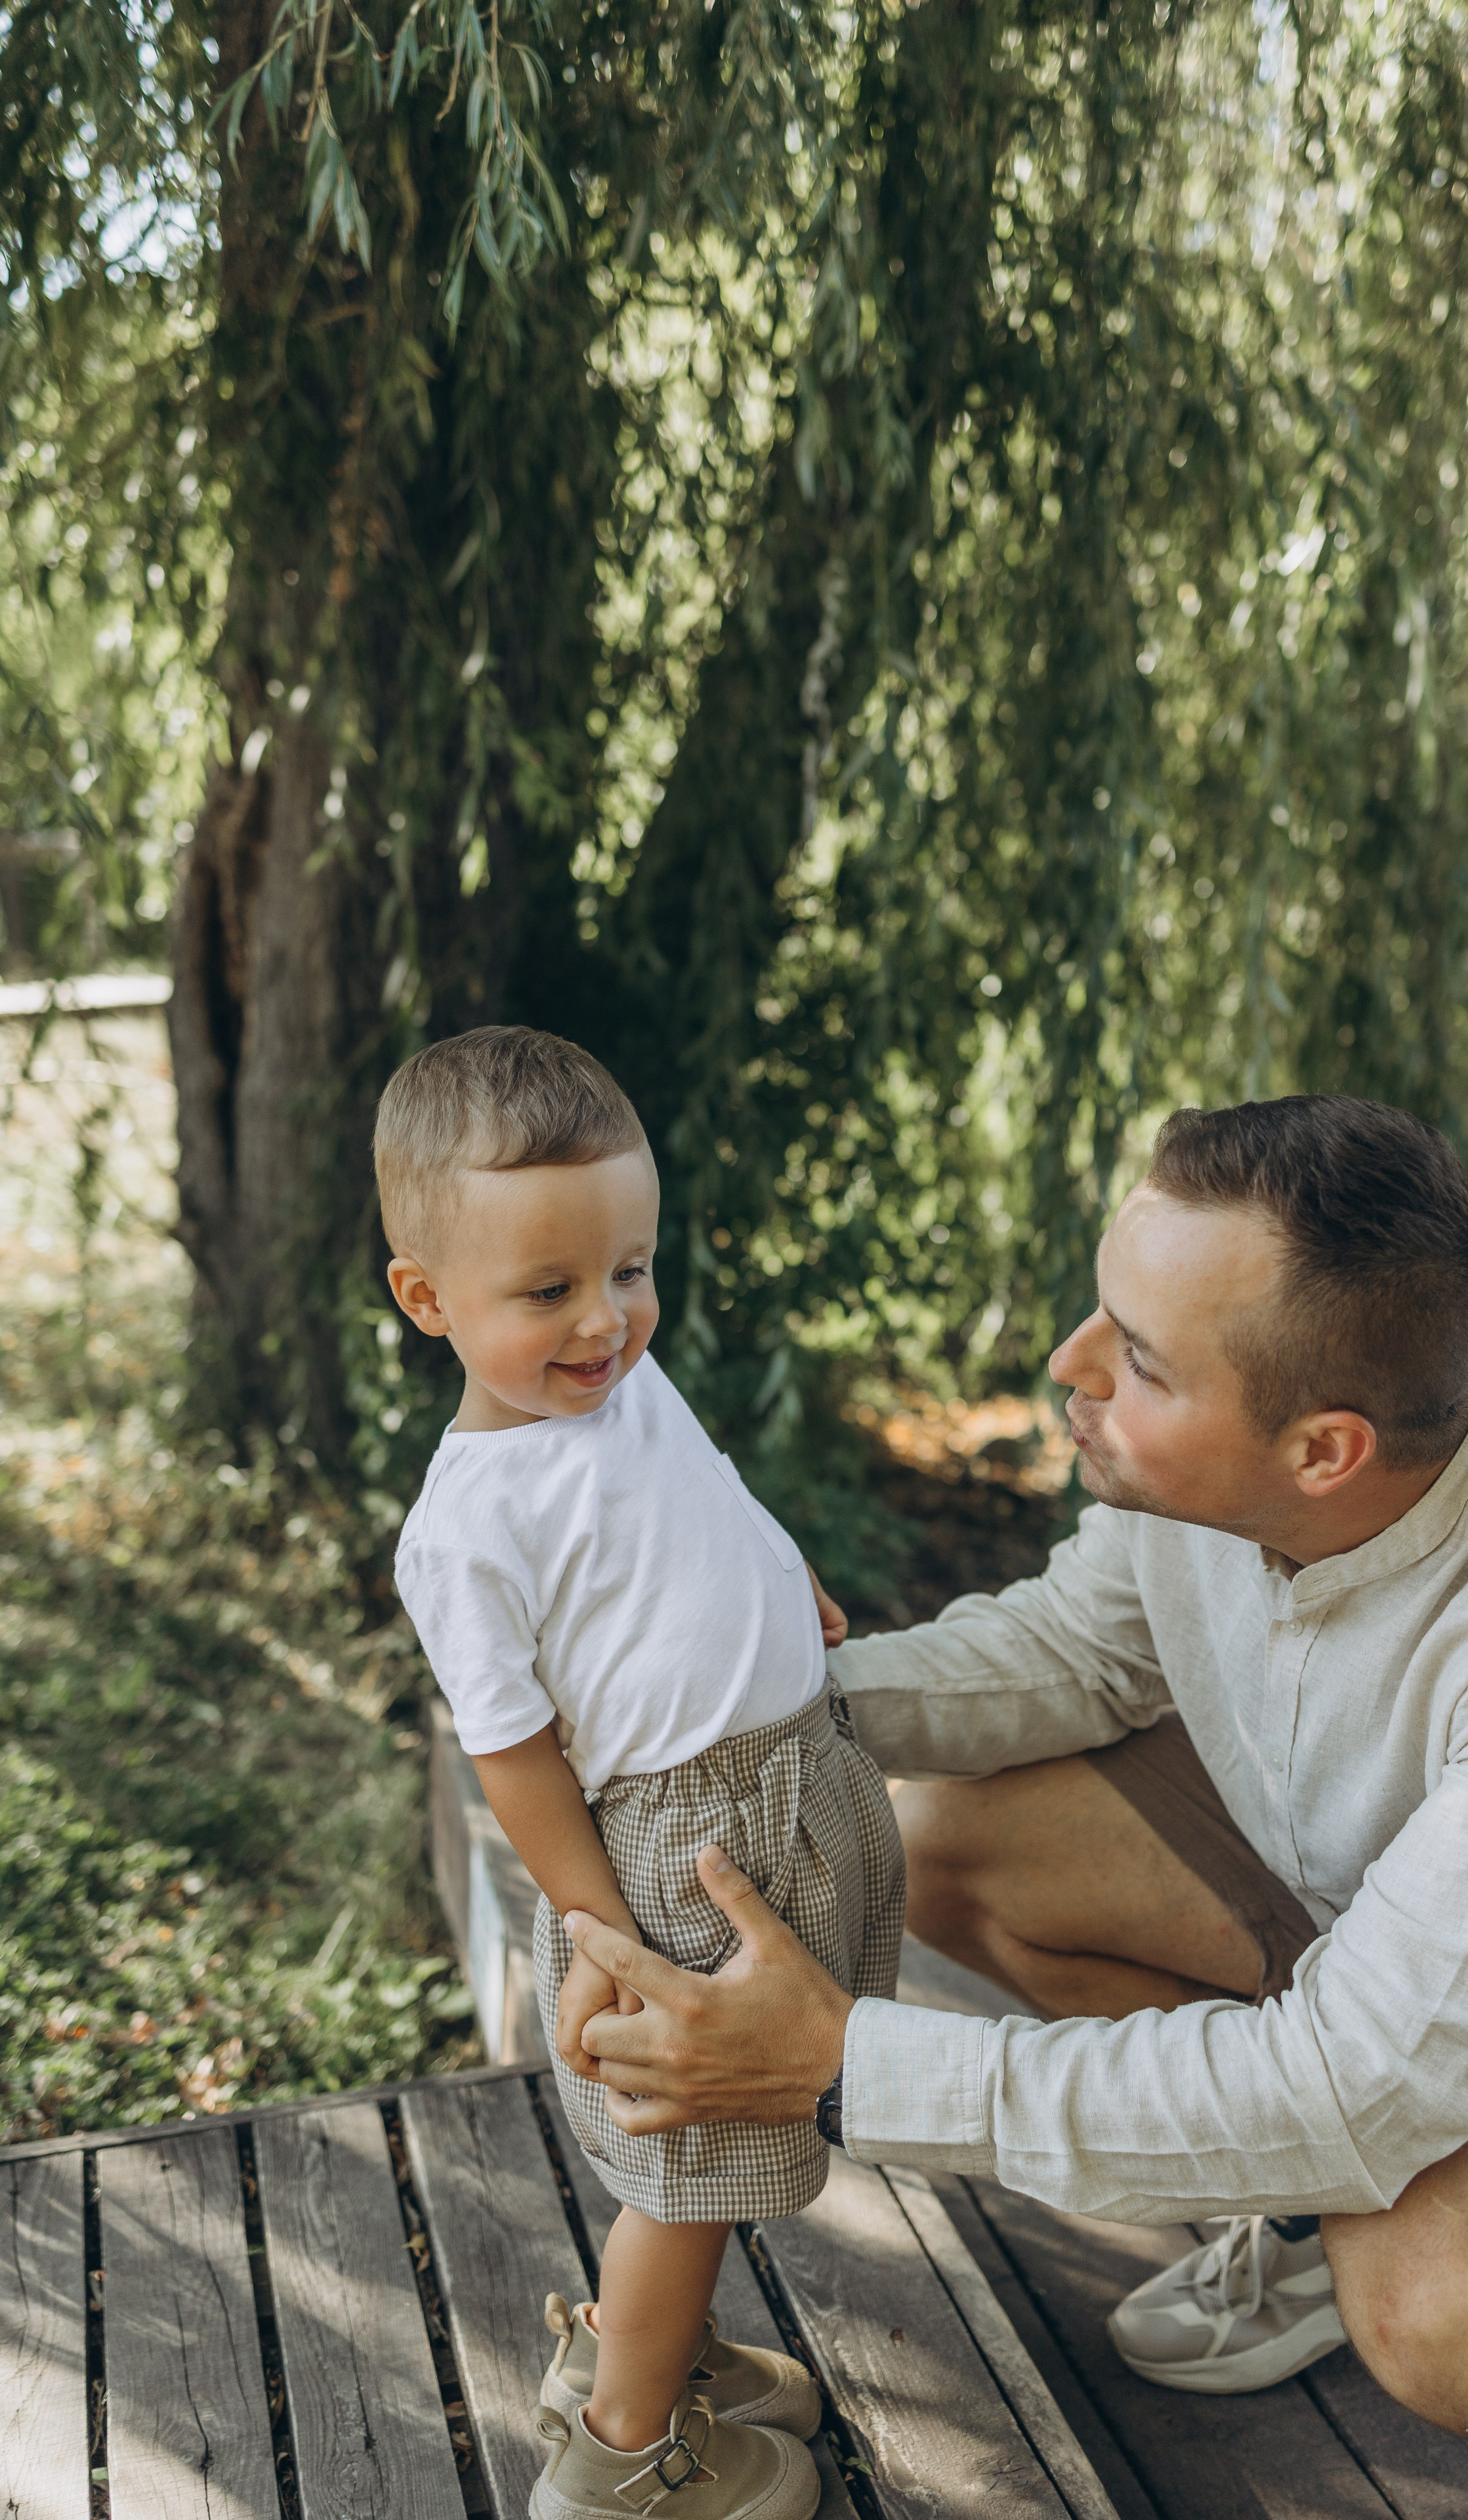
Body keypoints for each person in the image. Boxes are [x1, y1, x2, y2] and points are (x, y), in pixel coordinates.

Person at [562, 1095, 1468, 2454]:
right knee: (961, 1844)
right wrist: (706, 1713)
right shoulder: (1340, 1379)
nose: (1067, 1362)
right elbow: (1079, 1655)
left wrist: (840, 2066)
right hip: (1407, 1901)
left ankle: (1357, 2203)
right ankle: (1296, 2205)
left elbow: (1353, 2084)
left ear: (1322, 1452)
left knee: (1451, 2312)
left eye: (1137, 1363)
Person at [377, 1027, 904, 2520]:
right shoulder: (469, 1524)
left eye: (630, 1268)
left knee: (734, 2137)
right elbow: (515, 1753)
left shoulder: (611, 1384)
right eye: (547, 1291)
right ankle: (622, 2454)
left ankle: (648, 2355)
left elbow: (698, 1492)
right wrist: (597, 1928)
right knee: (686, 2171)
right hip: (681, 1860)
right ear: (428, 1298)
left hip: (784, 1792)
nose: (606, 1320)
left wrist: (773, 1575)